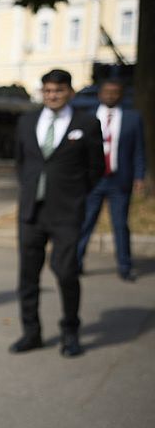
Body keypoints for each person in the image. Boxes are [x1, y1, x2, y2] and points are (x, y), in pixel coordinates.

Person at [10, 69, 104, 357]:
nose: (52, 95)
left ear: (70, 92)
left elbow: (96, 169)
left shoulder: (86, 123)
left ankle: (70, 332)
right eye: (48, 90)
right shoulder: (27, 122)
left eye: (59, 90)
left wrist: (75, 195)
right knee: (27, 277)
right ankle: (31, 332)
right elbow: (20, 163)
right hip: (31, 212)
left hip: (66, 212)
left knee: (65, 272)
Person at [76, 78, 146, 282]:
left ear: (121, 95)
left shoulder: (133, 119)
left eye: (115, 92)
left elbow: (139, 150)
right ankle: (76, 262)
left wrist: (139, 175)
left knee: (120, 224)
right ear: (100, 94)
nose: (110, 95)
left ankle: (125, 266)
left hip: (119, 180)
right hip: (93, 181)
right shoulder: (87, 118)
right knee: (86, 222)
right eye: (107, 91)